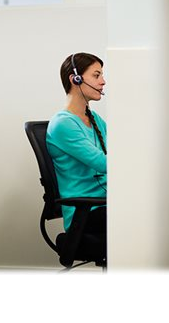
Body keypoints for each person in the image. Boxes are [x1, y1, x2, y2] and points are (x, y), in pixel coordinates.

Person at [46, 52, 107, 234]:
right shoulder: (63, 124)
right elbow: (104, 163)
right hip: (87, 214)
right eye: (96, 75)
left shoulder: (95, 119)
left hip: (105, 205)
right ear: (76, 79)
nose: (103, 82)